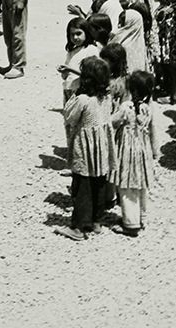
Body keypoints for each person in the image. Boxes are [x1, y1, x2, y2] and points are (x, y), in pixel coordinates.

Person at [57, 56, 116, 241]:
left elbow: (69, 117)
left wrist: (74, 95)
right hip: (102, 148)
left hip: (85, 149)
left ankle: (79, 227)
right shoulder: (106, 97)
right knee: (99, 183)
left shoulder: (83, 99)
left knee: (83, 187)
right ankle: (97, 221)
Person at [109, 71, 160, 237]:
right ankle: (141, 217)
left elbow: (113, 122)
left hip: (128, 149)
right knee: (140, 185)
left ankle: (130, 224)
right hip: (143, 150)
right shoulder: (148, 109)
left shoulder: (126, 107)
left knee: (127, 186)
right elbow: (152, 130)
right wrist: (155, 151)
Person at [58, 18, 99, 105]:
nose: (75, 37)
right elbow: (65, 76)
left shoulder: (91, 50)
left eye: (78, 33)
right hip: (69, 91)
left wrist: (71, 70)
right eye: (72, 34)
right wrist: (64, 71)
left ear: (86, 32)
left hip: (83, 93)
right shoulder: (71, 52)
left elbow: (92, 75)